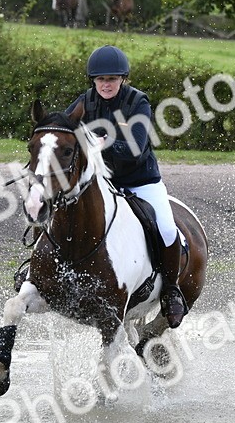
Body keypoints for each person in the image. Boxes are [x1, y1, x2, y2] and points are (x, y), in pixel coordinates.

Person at [65, 44, 186, 328]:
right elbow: (65, 128)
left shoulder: (138, 102)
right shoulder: (85, 101)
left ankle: (170, 289)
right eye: (101, 79)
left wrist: (101, 144)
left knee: (167, 228)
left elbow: (136, 147)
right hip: (105, 183)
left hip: (141, 182)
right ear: (93, 81)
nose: (106, 84)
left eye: (112, 79)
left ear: (123, 79)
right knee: (62, 204)